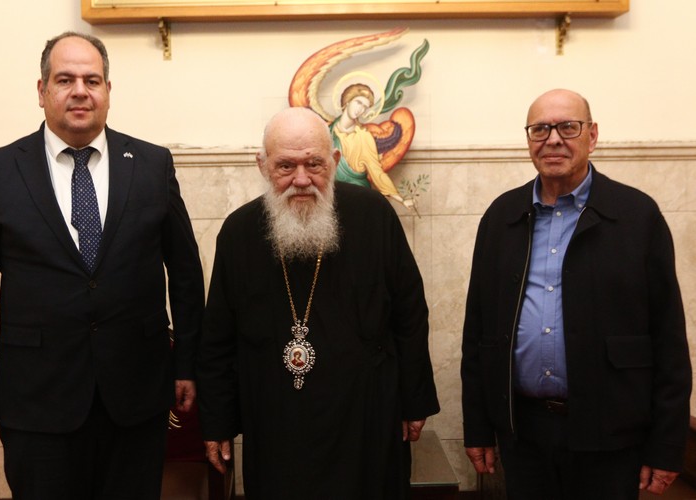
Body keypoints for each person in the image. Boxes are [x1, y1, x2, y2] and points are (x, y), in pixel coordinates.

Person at [0, 32, 204, 499]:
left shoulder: (152, 165)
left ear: (108, 90)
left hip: (136, 400)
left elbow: (186, 276)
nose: (80, 91)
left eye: (92, 80)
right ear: (42, 90)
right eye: (65, 80)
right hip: (37, 404)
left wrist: (187, 365)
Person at [196, 106, 439, 499]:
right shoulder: (239, 233)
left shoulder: (373, 215)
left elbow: (410, 314)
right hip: (276, 423)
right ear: (262, 165)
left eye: (314, 164)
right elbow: (217, 338)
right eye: (285, 166)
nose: (301, 179)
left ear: (335, 161)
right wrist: (218, 422)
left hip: (365, 420)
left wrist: (413, 402)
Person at [460, 89, 692, 499]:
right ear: (529, 139)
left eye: (568, 127)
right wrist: (478, 428)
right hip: (524, 435)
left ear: (592, 135)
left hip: (611, 436)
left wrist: (667, 446)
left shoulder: (637, 216)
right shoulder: (501, 217)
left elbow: (669, 340)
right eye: (540, 129)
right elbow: (478, 334)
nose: (553, 140)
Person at [332, 83, 414, 209]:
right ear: (347, 101)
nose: (360, 109)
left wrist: (401, 200)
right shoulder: (327, 131)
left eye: (364, 107)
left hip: (358, 197)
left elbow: (376, 172)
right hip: (332, 198)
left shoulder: (363, 137)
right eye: (358, 102)